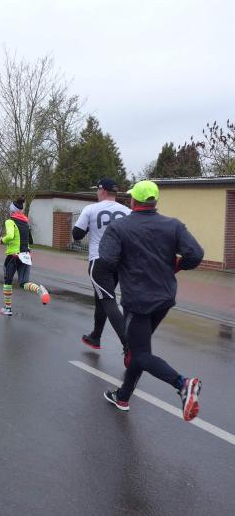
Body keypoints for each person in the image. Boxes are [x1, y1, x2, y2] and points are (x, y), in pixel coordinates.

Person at [96, 180, 203, 421]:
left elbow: (107, 260)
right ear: (154, 202)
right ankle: (123, 397)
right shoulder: (173, 225)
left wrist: (125, 263)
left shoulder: (119, 228)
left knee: (141, 353)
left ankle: (184, 385)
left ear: (133, 201)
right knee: (138, 348)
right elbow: (196, 254)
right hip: (164, 299)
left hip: (138, 301)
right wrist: (177, 265)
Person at [72, 178, 130, 352]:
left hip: (99, 260)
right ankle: (95, 336)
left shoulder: (91, 209)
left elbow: (76, 234)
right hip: (119, 262)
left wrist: (89, 227)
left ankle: (129, 345)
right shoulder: (128, 211)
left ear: (102, 191)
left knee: (108, 300)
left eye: (97, 190)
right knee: (102, 298)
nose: (96, 193)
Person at [0, 196, 50, 315]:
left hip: (13, 255)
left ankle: (8, 309)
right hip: (26, 255)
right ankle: (39, 290)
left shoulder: (10, 221)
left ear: (12, 211)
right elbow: (30, 240)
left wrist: (2, 240)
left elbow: (10, 236)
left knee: (8, 281)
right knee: (24, 283)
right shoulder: (26, 222)